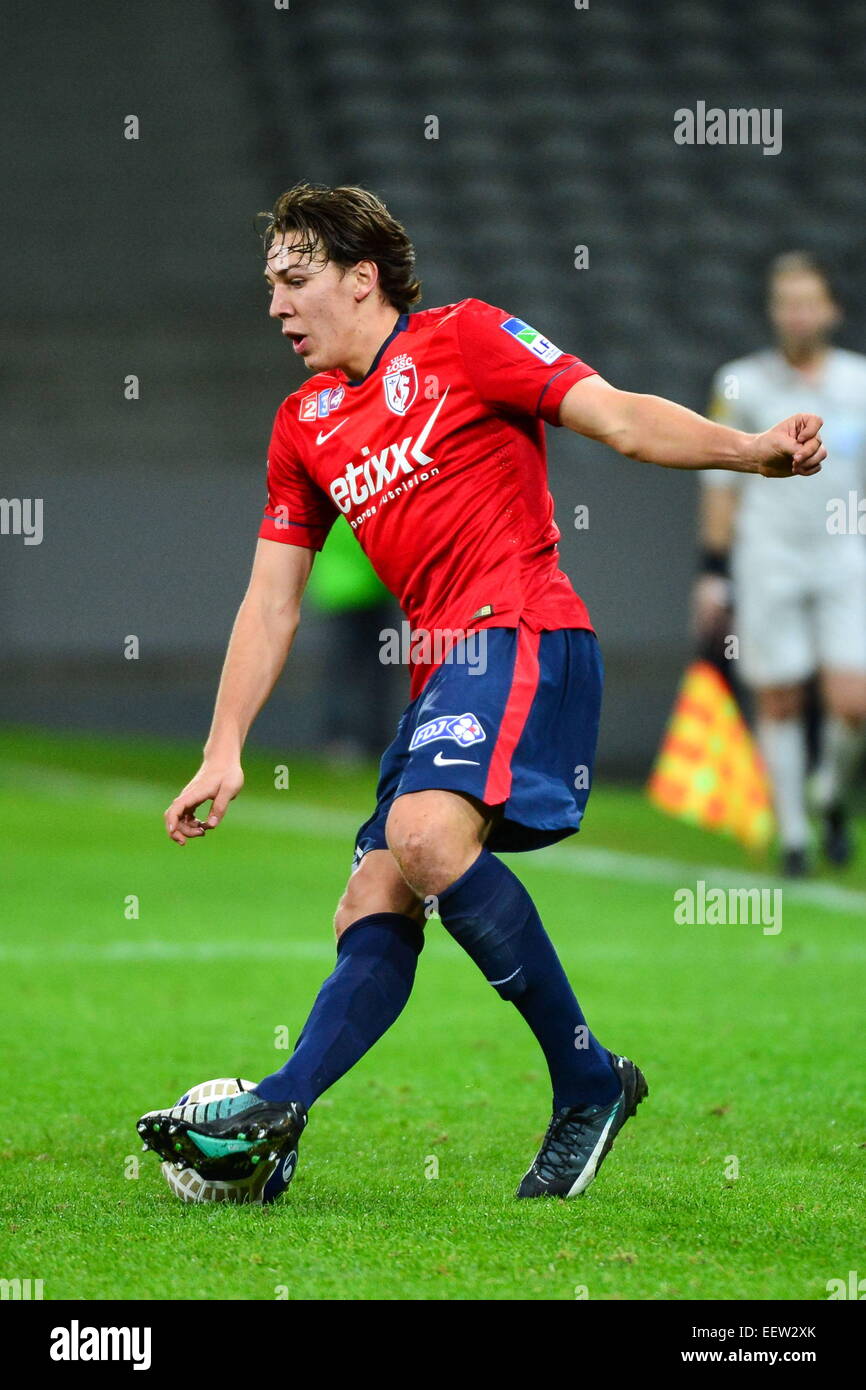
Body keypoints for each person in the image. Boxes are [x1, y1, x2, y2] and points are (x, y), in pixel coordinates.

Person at [138, 185, 825, 1201]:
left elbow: (621, 420)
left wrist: (749, 451)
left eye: (294, 281)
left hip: (525, 634)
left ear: (360, 278)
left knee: (420, 836)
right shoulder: (303, 424)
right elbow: (270, 601)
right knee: (372, 895)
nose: (276, 307)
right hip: (444, 675)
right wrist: (223, 745)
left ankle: (585, 1081)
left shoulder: (465, 339)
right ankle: (279, 1111)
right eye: (270, 286)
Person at [695, 253, 866, 877]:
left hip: (846, 552)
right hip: (767, 553)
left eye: (808, 301)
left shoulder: (859, 381)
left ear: (832, 309)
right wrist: (714, 569)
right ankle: (795, 836)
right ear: (773, 311)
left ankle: (830, 792)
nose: (796, 313)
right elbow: (719, 482)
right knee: (780, 695)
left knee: (854, 702)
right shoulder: (741, 381)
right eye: (785, 302)